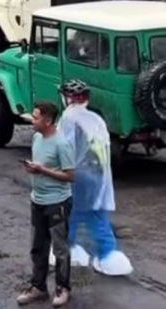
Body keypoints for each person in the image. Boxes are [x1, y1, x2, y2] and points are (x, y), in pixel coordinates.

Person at [53, 79, 133, 277]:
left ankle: (95, 253)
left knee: (73, 214)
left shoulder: (68, 118)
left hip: (79, 176)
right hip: (99, 177)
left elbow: (65, 148)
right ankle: (96, 253)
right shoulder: (96, 118)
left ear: (67, 98)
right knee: (94, 214)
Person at [17, 102, 75, 308]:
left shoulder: (61, 144)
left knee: (59, 249)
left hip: (57, 203)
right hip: (37, 201)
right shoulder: (36, 138)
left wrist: (42, 171)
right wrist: (33, 170)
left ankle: (63, 287)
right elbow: (40, 166)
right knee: (37, 247)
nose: (32, 120)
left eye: (35, 117)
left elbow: (70, 175)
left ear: (48, 121)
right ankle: (38, 287)